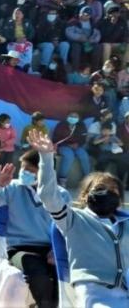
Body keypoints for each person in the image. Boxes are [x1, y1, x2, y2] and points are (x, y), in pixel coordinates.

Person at [29, 129, 129, 307]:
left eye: (113, 189)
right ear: (85, 195)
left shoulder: (126, 222)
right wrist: (46, 158)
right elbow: (48, 196)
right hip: (95, 293)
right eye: (100, 188)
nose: (107, 192)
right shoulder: (73, 220)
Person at [0, 150, 69, 308]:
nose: (25, 173)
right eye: (24, 169)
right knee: (37, 271)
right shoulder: (11, 188)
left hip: (50, 248)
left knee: (62, 276)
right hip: (19, 248)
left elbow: (66, 228)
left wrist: (57, 249)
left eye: (31, 171)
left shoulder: (61, 195)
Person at [52, 112, 90, 187]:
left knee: (83, 155)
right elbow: (55, 138)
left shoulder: (81, 125)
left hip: (77, 146)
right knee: (69, 155)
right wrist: (67, 144)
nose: (73, 118)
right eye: (71, 116)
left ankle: (88, 178)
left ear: (78, 118)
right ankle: (62, 179)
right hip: (63, 146)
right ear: (67, 117)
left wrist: (78, 144)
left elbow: (84, 138)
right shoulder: (61, 125)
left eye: (75, 116)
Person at [66, 6, 101, 71]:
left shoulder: (93, 23)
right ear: (80, 14)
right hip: (76, 42)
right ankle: (75, 70)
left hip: (89, 43)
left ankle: (94, 70)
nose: (87, 16)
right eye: (85, 14)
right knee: (76, 47)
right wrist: (79, 37)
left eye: (89, 15)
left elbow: (98, 35)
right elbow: (68, 33)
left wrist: (93, 40)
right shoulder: (73, 21)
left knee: (97, 47)